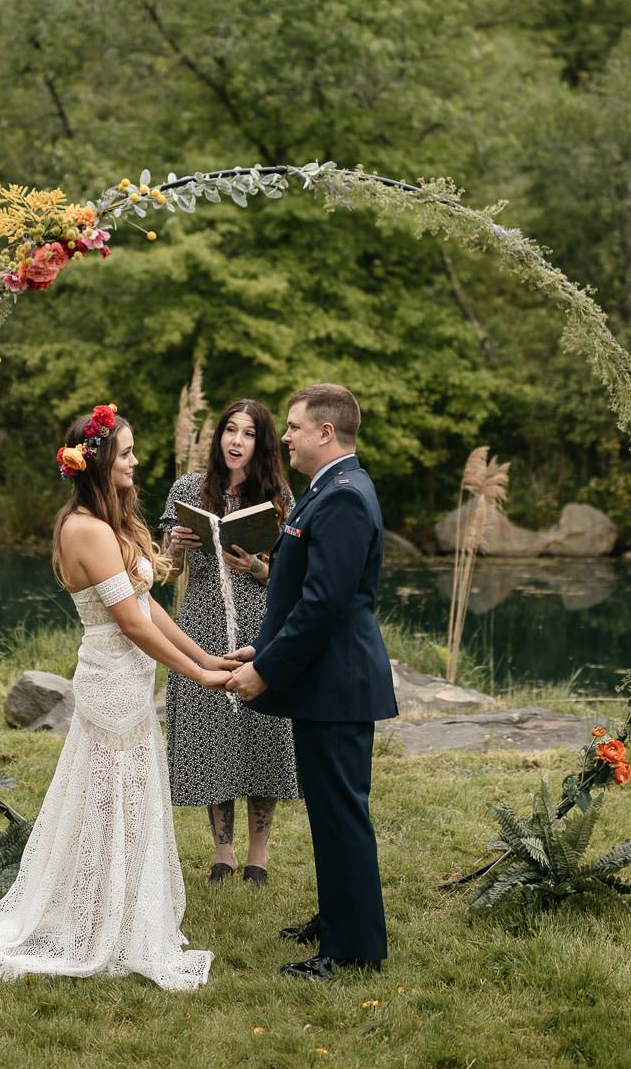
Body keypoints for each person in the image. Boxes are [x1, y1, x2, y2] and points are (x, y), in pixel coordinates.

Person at [0, 402, 243, 991]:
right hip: (111, 684)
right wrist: (202, 679)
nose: (137, 462)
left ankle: (113, 913)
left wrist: (206, 657)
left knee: (130, 803)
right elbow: (131, 625)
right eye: (128, 453)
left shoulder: (112, 522)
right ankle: (93, 924)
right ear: (97, 462)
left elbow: (149, 608)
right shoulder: (84, 529)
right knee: (105, 806)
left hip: (132, 683)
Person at [227, 384, 397, 979]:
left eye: (295, 427)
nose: (286, 437)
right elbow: (298, 593)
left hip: (339, 685)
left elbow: (324, 606)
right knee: (329, 812)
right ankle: (337, 919)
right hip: (325, 683)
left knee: (341, 813)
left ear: (326, 433)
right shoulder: (326, 489)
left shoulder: (346, 497)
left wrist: (266, 671)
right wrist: (265, 645)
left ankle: (353, 950)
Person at [156, 398, 298, 885]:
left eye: (249, 433)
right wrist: (175, 546)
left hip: (261, 626)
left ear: (262, 443)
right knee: (214, 733)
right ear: (219, 436)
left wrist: (258, 567)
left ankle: (258, 854)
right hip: (201, 625)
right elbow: (163, 572)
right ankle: (224, 852)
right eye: (230, 430)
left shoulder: (278, 494)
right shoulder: (189, 488)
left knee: (263, 735)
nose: (236, 441)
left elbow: (294, 576)